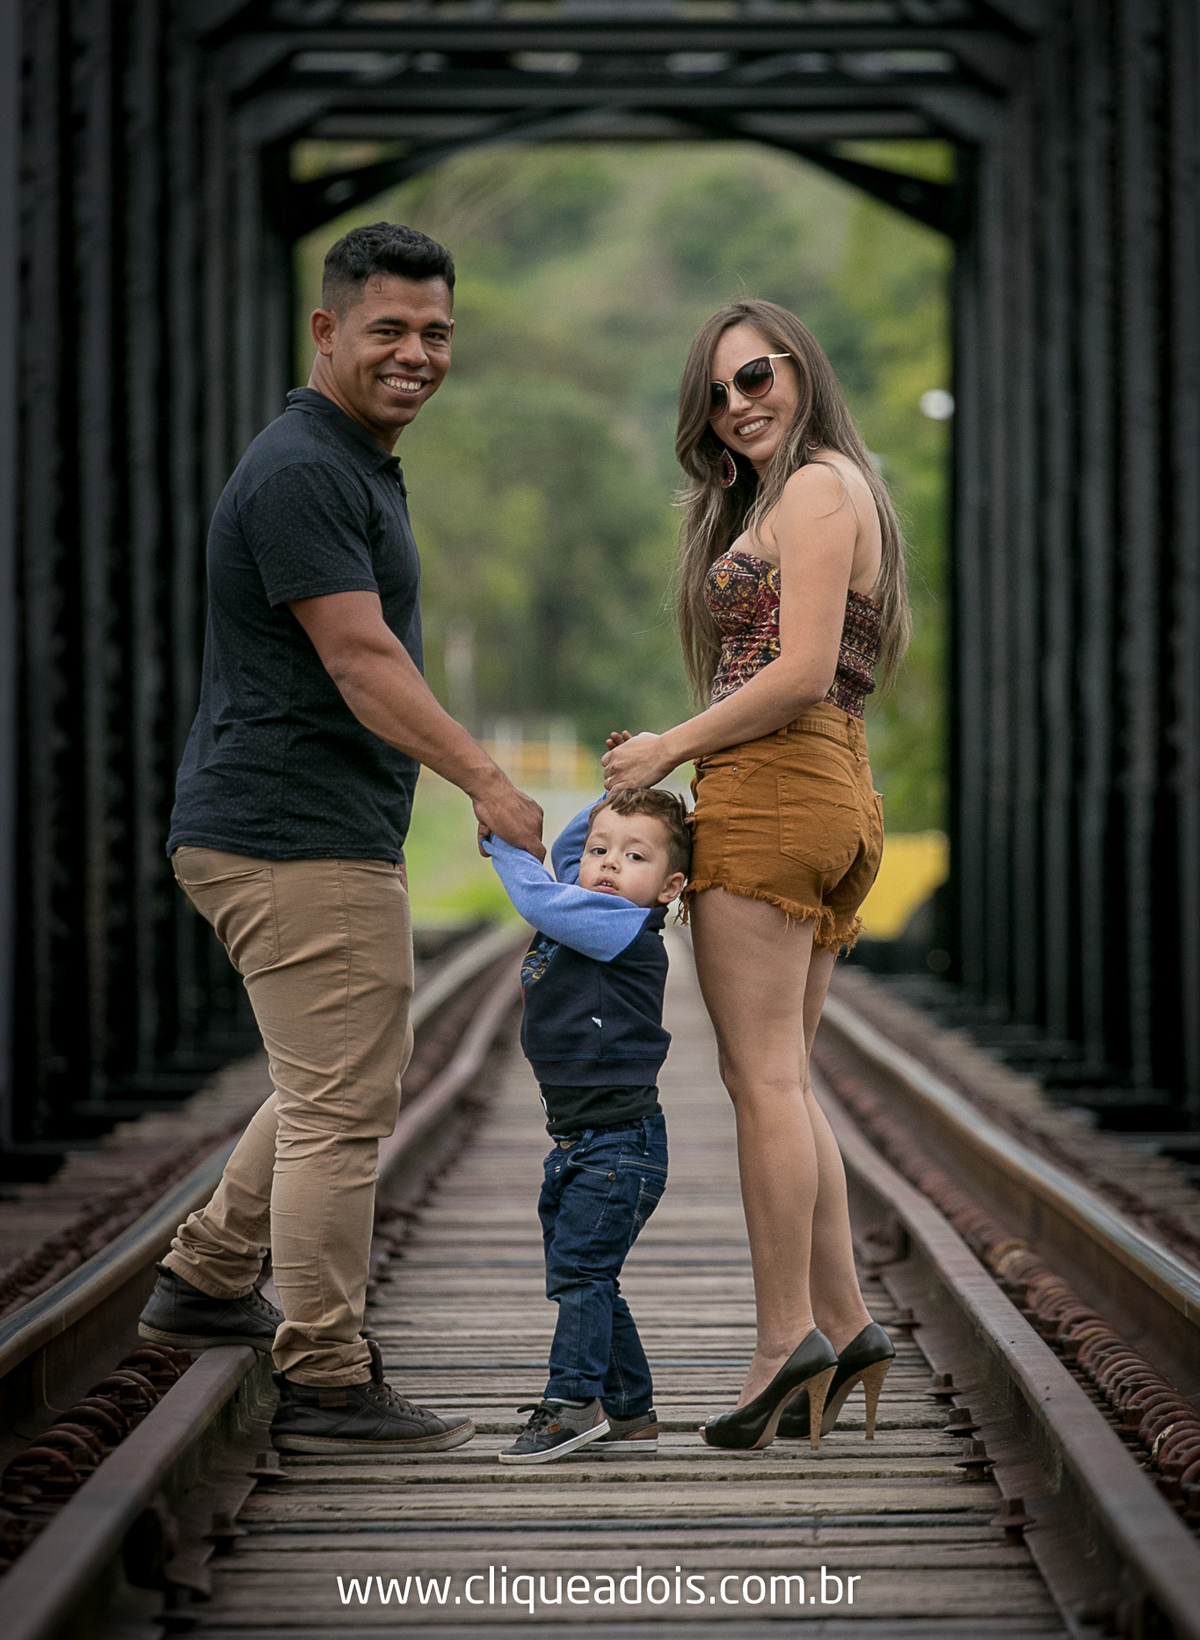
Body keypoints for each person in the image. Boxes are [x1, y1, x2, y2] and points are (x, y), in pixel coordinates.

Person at [138, 221, 544, 1456]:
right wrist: (488, 779)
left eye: (436, 333)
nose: (417, 353)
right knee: (340, 1112)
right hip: (288, 830)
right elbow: (362, 661)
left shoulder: (348, 457)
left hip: (299, 824)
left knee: (335, 1085)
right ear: (328, 331)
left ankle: (207, 1279)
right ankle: (323, 1374)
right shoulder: (305, 469)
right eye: (389, 330)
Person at [603, 300, 909, 1453]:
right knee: (787, 1078)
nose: (742, 404)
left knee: (761, 1084)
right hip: (826, 787)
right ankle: (843, 1318)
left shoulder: (822, 486)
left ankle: (784, 1340)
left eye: (759, 374)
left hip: (780, 783)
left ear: (801, 367)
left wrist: (667, 748)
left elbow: (803, 670)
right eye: (721, 393)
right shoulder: (803, 492)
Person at [481, 789, 690, 1463]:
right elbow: (571, 856)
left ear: (670, 887)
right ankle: (630, 1410)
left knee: (581, 1273)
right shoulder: (595, 901)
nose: (606, 865)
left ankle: (572, 1405)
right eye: (601, 852)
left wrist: (505, 846)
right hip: (581, 1143)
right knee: (588, 1275)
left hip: (616, 1147)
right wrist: (615, 787)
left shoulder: (618, 927)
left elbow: (541, 895)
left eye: (635, 857)